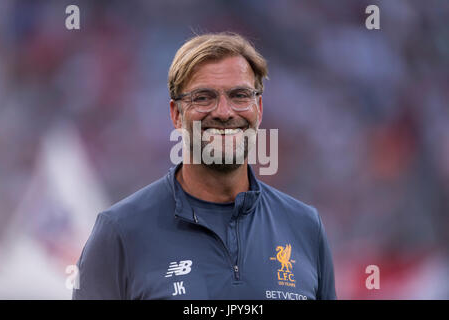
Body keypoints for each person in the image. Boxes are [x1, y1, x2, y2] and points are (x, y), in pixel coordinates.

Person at [72, 32, 336, 300]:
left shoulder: (305, 227)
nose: (223, 112)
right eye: (203, 98)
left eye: (240, 95)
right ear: (176, 114)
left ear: (259, 108)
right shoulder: (119, 232)